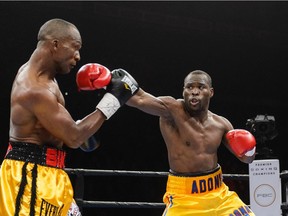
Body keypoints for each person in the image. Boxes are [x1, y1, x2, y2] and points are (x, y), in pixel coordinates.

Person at [0, 19, 138, 216]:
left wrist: (80, 127)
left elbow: (62, 128)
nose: (78, 57)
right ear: (55, 45)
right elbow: (74, 138)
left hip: (50, 173)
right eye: (75, 48)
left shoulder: (46, 77)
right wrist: (114, 99)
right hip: (30, 179)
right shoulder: (34, 88)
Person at [124, 69, 256, 215]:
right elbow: (139, 99)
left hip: (219, 195)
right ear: (183, 91)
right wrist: (110, 82)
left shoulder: (221, 124)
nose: (194, 91)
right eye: (189, 87)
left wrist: (249, 149)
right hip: (184, 198)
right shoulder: (172, 110)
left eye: (200, 87)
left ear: (210, 92)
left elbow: (246, 159)